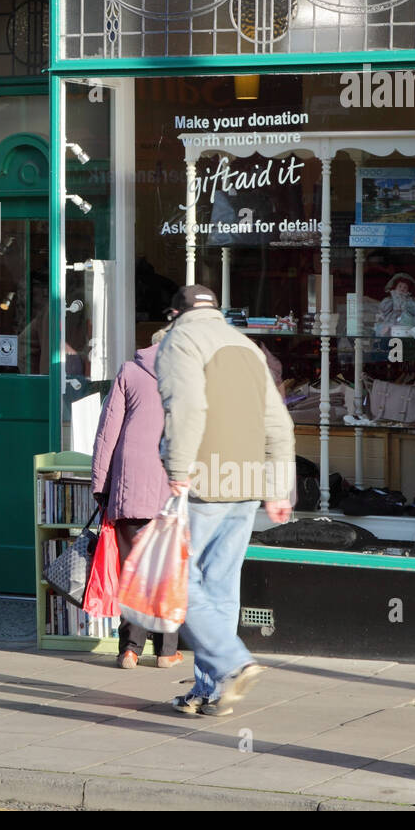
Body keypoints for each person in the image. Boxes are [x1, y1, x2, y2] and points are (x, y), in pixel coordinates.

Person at [154, 284, 295, 716]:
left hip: (204, 479)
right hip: (247, 479)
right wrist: (277, 487)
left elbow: (188, 407)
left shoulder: (180, 339)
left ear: (174, 312)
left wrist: (177, 469)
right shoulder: (247, 346)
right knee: (220, 584)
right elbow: (279, 424)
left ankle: (232, 663)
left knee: (177, 580)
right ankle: (212, 691)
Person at [91, 330, 183, 669]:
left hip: (130, 487)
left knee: (132, 570)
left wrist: (100, 484)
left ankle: (130, 649)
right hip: (170, 488)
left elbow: (107, 434)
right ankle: (166, 651)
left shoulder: (129, 372)